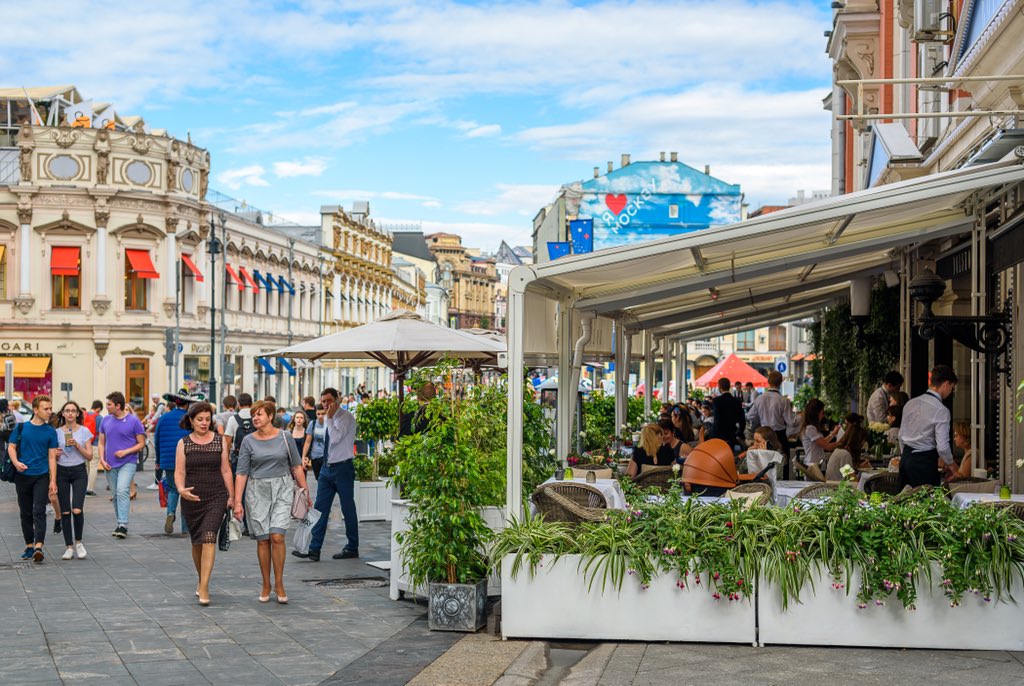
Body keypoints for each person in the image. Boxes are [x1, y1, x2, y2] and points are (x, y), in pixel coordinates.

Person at [233, 399, 308, 603]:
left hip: (283, 488)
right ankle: (266, 583)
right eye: (254, 415)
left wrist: (304, 491)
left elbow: (296, 466)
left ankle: (279, 583)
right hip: (257, 491)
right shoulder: (248, 440)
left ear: (270, 416)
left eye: (259, 414)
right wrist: (237, 502)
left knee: (277, 536)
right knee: (263, 539)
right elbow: (241, 473)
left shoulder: (285, 437)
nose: (255, 418)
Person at [175, 401, 234, 606]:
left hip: (216, 496)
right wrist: (181, 489)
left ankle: (205, 586)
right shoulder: (184, 443)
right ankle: (201, 579)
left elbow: (226, 470)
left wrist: (232, 496)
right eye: (200, 419)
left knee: (209, 536)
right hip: (192, 497)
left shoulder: (220, 441)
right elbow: (179, 472)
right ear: (191, 420)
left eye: (207, 419)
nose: (204, 423)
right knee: (197, 541)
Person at [293, 387, 358, 562]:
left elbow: (336, 438)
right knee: (319, 509)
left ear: (337, 400)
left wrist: (329, 418)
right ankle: (314, 549)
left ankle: (352, 546)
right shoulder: (321, 420)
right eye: (323, 401)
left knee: (347, 507)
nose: (326, 404)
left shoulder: (346, 418)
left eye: (329, 400)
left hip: (343, 468)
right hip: (326, 468)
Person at [7, 396, 58, 562]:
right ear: (35, 410)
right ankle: (29, 545)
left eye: (50, 408)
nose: (49, 411)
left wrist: (53, 480)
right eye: (46, 408)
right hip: (22, 477)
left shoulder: (50, 431)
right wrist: (16, 462)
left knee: (39, 511)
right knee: (25, 512)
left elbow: (52, 458)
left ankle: (38, 546)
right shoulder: (21, 428)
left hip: (41, 476)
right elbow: (11, 448)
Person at [898, 365, 958, 487]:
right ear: (946, 384)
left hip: (905, 459)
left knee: (904, 502)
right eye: (952, 388)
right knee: (926, 503)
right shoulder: (941, 410)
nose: (951, 391)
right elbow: (942, 447)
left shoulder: (910, 404)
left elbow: (901, 436)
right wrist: (952, 464)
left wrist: (906, 456)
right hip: (924, 463)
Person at [98, 392, 146, 538]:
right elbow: (101, 442)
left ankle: (123, 525)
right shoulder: (105, 420)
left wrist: (125, 452)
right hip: (109, 464)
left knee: (122, 490)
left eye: (109, 404)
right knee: (115, 494)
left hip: (128, 462)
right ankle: (120, 523)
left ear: (118, 406)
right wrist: (102, 459)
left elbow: (141, 443)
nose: (106, 407)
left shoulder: (133, 421)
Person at [52, 401, 93, 560]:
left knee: (77, 508)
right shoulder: (56, 433)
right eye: (67, 410)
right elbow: (51, 454)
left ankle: (79, 542)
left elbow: (89, 456)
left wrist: (77, 445)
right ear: (62, 413)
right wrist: (55, 453)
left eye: (73, 411)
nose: (70, 413)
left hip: (79, 471)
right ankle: (68, 547)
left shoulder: (84, 431)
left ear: (77, 414)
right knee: (65, 511)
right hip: (62, 471)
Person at [746, 370, 799, 479]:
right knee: (782, 464)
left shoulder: (760, 398)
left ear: (768, 381)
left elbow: (750, 416)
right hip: (779, 437)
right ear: (781, 382)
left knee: (763, 464)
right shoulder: (783, 400)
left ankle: (763, 485)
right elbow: (791, 422)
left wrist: (761, 416)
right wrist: (802, 416)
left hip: (763, 435)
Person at [155, 392, 193, 535]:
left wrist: (159, 460)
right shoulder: (189, 418)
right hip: (186, 459)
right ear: (187, 403)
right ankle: (186, 528)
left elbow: (157, 439)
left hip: (168, 459)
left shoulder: (164, 417)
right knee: (185, 491)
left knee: (172, 489)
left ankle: (170, 513)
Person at [799, 398, 840, 482]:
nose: (823, 416)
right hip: (813, 465)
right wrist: (842, 442)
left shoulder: (810, 428)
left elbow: (823, 442)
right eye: (822, 413)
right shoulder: (810, 428)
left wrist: (833, 433)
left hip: (815, 463)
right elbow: (826, 446)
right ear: (816, 414)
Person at [825, 413, 870, 482]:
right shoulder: (845, 455)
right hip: (838, 488)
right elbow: (852, 479)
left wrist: (859, 467)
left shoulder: (840, 451)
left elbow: (846, 471)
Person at [709, 378, 745, 450]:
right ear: (729, 386)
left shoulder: (716, 400)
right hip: (731, 435)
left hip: (718, 434)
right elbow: (742, 421)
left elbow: (717, 419)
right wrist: (739, 433)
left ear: (719, 387)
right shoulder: (737, 401)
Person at [302, 404, 329, 480]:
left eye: (323, 414)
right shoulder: (313, 423)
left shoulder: (329, 424)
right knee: (318, 479)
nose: (320, 416)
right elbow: (307, 441)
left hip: (327, 457)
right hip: (315, 457)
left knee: (326, 480)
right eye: (318, 414)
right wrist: (304, 457)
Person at [84, 400, 104, 496]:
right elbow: (102, 433)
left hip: (84, 445)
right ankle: (90, 489)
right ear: (98, 408)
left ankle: (84, 487)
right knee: (93, 467)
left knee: (86, 467)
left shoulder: (83, 415)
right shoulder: (99, 417)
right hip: (95, 444)